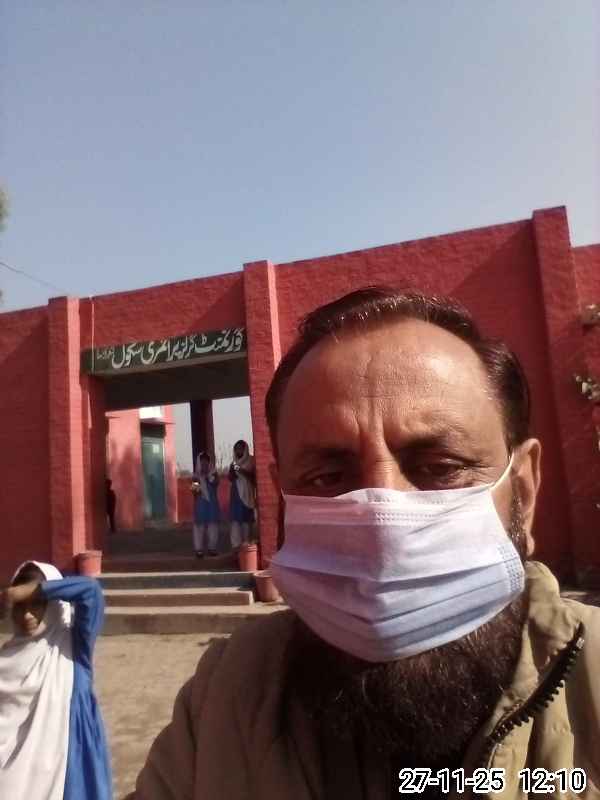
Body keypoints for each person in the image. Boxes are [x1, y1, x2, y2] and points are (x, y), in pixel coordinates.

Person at [127, 288, 600, 800]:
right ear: (282, 497)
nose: (383, 526)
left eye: (440, 467)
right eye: (328, 477)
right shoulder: (224, 700)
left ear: (524, 490)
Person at [0, 560, 112, 800]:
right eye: (20, 606)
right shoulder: (6, 659)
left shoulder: (73, 646)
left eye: (37, 604)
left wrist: (31, 590)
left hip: (70, 769)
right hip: (16, 774)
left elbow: (91, 591)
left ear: (53, 603)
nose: (27, 615)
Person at [191, 451, 220, 557]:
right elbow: (194, 492)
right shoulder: (195, 476)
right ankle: (199, 549)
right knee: (199, 527)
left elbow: (216, 483)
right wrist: (198, 481)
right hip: (201, 504)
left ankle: (212, 548)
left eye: (206, 462)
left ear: (209, 463)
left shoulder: (214, 474)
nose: (204, 465)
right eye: (202, 462)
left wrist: (208, 477)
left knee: (213, 526)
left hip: (212, 504)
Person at [228, 439, 256, 548]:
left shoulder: (251, 461)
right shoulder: (234, 463)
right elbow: (230, 478)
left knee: (246, 521)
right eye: (236, 449)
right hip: (236, 494)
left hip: (247, 494)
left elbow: (254, 477)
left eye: (240, 449)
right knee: (235, 521)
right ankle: (236, 546)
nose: (238, 451)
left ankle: (247, 545)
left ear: (245, 449)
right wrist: (233, 470)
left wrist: (241, 470)